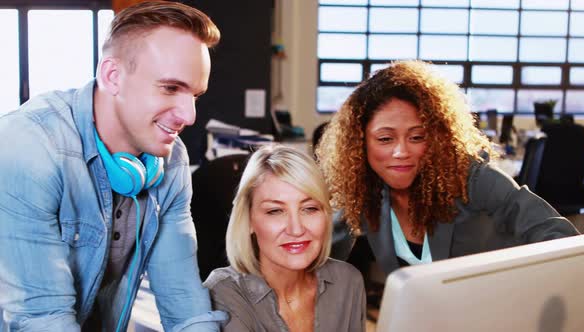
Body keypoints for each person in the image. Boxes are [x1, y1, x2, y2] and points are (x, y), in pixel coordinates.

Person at [0, 2, 227, 331]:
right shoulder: (29, 147)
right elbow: (42, 319)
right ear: (112, 76)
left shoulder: (170, 160)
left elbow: (185, 303)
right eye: (171, 88)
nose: (189, 116)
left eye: (195, 95)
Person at [316, 60, 580, 276]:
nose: (401, 152)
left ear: (436, 137)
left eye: (417, 137)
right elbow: (320, 252)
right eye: (385, 139)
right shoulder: (365, 191)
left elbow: (559, 236)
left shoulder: (471, 177)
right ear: (360, 144)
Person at [204, 145, 366, 332]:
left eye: (309, 208)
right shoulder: (223, 293)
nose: (296, 229)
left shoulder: (347, 281)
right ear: (248, 220)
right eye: (275, 211)